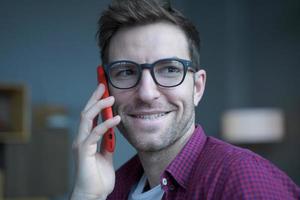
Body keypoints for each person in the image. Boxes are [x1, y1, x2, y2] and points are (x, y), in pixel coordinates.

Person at [71, 0, 300, 199]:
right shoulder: (111, 188)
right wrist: (87, 196)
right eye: (126, 72)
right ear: (105, 89)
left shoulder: (244, 181)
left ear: (197, 88)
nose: (146, 93)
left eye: (169, 69)